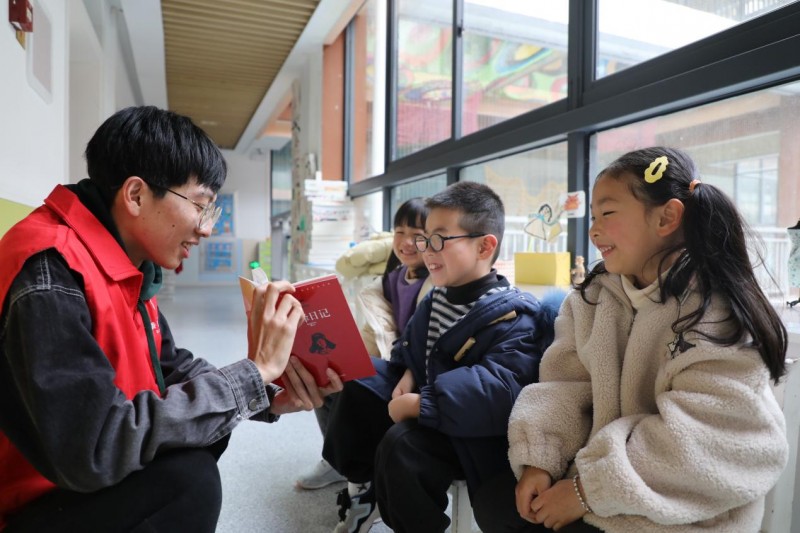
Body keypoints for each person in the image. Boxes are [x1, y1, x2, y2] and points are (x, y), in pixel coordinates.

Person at [0, 106, 342, 532]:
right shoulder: (50, 273)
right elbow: (92, 447)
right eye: (201, 206)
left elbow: (170, 366)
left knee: (199, 443)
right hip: (32, 500)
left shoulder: (124, 263)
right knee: (189, 482)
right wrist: (254, 372)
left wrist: (267, 393)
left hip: (72, 483)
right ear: (136, 195)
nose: (206, 229)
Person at [473, 147, 789, 533]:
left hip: (682, 509)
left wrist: (587, 490)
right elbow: (563, 385)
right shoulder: (591, 299)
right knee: (495, 503)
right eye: (592, 217)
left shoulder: (715, 312)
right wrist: (540, 459)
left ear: (666, 217)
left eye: (607, 213)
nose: (593, 230)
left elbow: (706, 441)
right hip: (602, 487)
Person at [322, 181, 563, 533]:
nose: (427, 251)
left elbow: (499, 391)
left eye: (439, 240)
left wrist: (422, 404)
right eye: (426, 240)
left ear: (484, 246)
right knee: (353, 374)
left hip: (470, 430)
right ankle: (365, 484)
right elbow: (410, 346)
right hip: (430, 398)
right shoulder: (438, 298)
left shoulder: (514, 315)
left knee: (401, 446)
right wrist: (408, 372)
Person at [296, 198, 433, 490]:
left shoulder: (437, 283)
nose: (406, 242)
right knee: (329, 373)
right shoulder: (393, 279)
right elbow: (378, 332)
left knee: (352, 384)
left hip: (415, 373)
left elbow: (430, 345)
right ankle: (335, 460)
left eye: (417, 235)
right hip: (391, 359)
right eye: (400, 232)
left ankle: (352, 465)